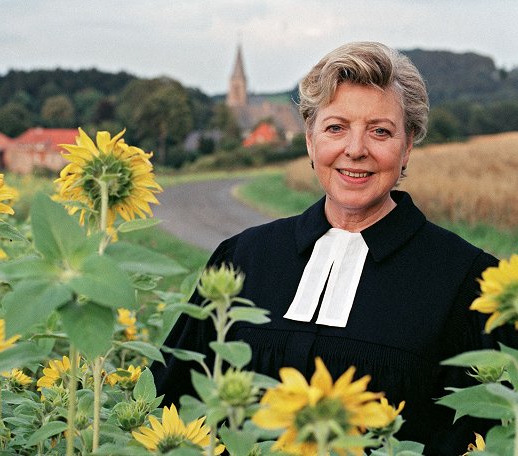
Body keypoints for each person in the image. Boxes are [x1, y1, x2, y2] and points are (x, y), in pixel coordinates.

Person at [152, 42, 505, 455]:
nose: (355, 149)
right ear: (310, 140)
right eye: (336, 127)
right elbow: (170, 408)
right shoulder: (243, 258)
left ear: (408, 146)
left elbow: (491, 437)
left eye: (380, 131)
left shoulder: (468, 283)